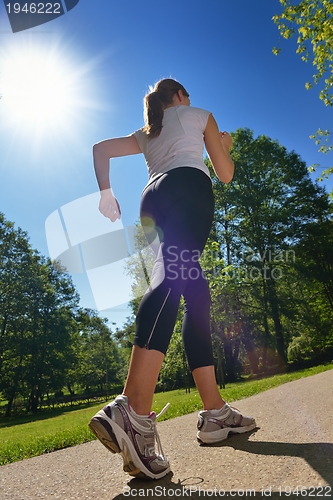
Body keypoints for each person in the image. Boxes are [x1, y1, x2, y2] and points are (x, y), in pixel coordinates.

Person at [89, 78, 256, 480]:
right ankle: (133, 408)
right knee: (174, 277)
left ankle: (215, 414)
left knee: (197, 297)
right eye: (187, 96)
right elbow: (226, 174)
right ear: (180, 96)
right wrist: (225, 145)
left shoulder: (149, 131)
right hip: (187, 186)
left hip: (153, 198)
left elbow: (100, 149)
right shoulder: (200, 116)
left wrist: (106, 193)